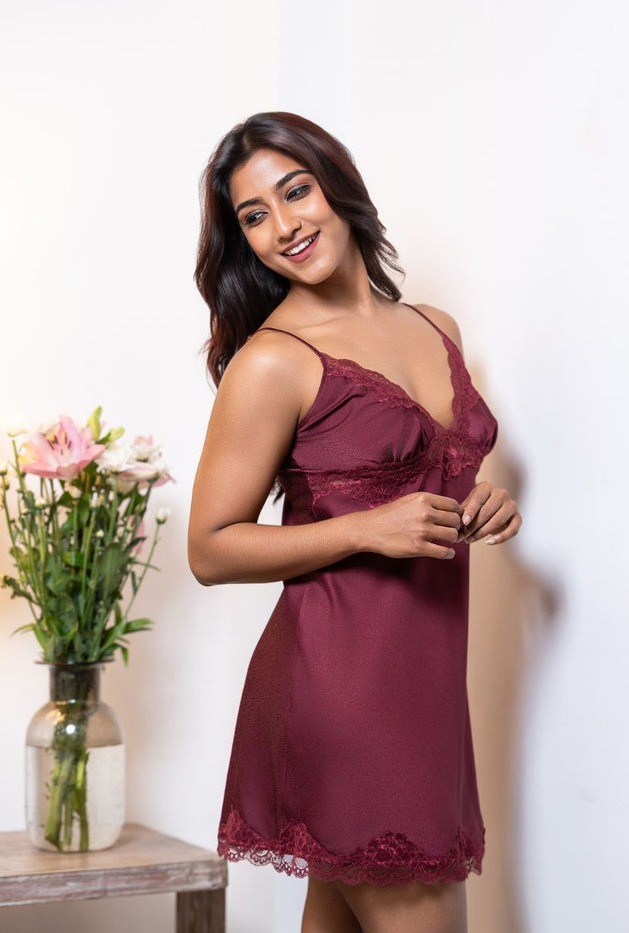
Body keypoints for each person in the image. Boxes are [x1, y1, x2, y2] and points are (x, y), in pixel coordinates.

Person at [187, 111, 522, 933]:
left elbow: (442, 479)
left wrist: (489, 501)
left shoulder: (436, 327)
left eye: (294, 191)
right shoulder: (275, 360)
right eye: (254, 215)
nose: (284, 225)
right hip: (342, 691)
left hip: (425, 691)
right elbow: (208, 547)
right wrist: (366, 528)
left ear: (338, 184)